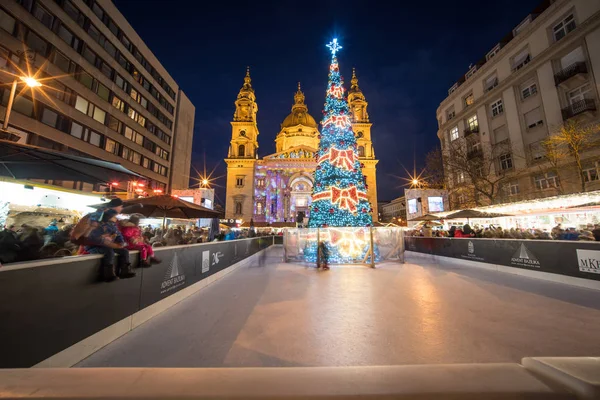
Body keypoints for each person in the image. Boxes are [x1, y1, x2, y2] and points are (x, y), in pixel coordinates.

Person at [85, 210, 135, 282]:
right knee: (109, 251)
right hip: (94, 246)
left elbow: (118, 235)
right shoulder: (97, 225)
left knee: (124, 251)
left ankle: (125, 271)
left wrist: (121, 242)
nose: (116, 218)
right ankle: (108, 274)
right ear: (108, 217)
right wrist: (105, 240)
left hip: (109, 246)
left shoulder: (113, 226)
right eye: (114, 216)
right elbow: (93, 238)